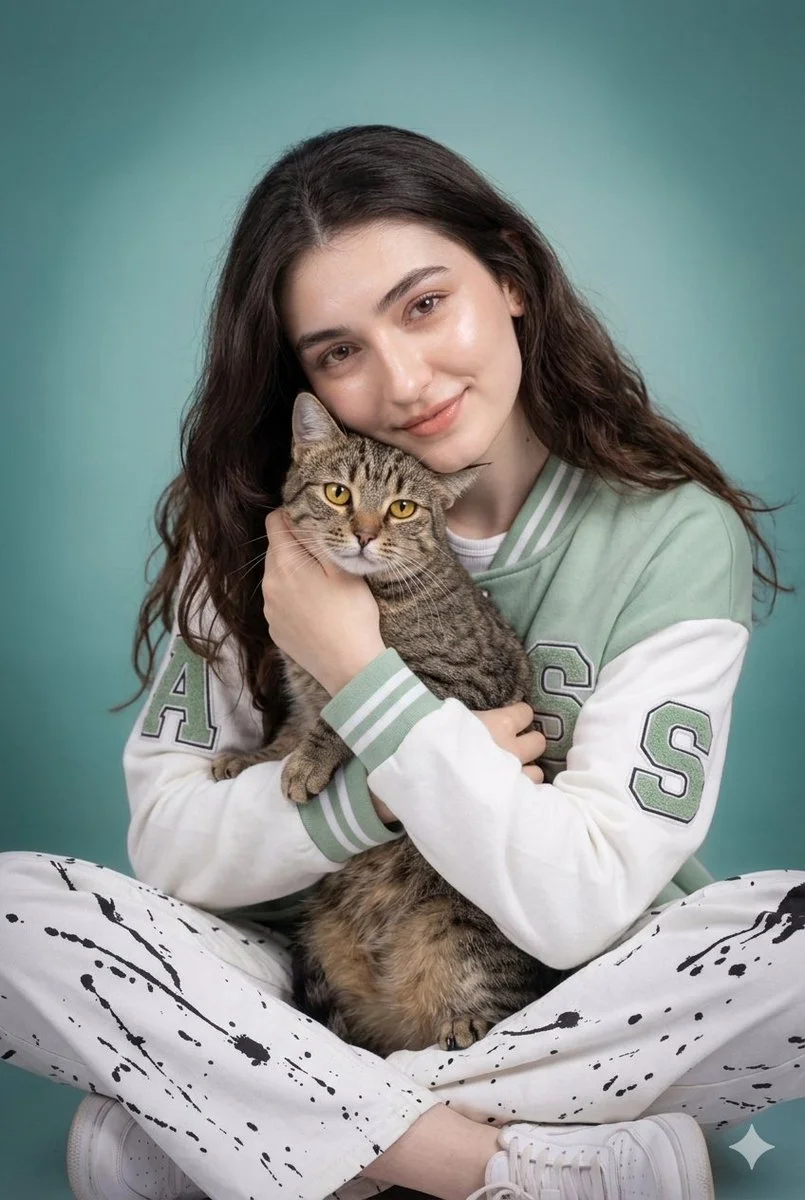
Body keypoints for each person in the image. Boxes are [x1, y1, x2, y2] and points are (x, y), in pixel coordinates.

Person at [1, 123, 803, 1200]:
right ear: (303, 377)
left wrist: (359, 671)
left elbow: (580, 908)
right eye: (338, 351)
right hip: (301, 979)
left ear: (510, 279)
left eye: (424, 305)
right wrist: (372, 795)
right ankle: (496, 1165)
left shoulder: (669, 533)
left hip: (570, 989)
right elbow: (172, 852)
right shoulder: (258, 527)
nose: (404, 379)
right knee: (12, 913)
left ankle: (243, 1120)